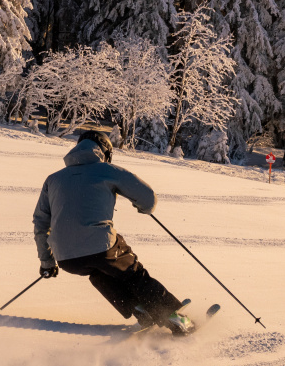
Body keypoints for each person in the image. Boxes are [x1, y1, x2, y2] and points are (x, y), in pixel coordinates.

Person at [32, 129, 193, 335]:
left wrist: (47, 262)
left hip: (67, 259)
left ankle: (140, 310)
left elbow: (40, 223)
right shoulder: (108, 170)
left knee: (98, 272)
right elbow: (148, 199)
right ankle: (173, 316)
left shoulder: (53, 179)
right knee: (133, 273)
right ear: (105, 152)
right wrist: (142, 206)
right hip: (101, 246)